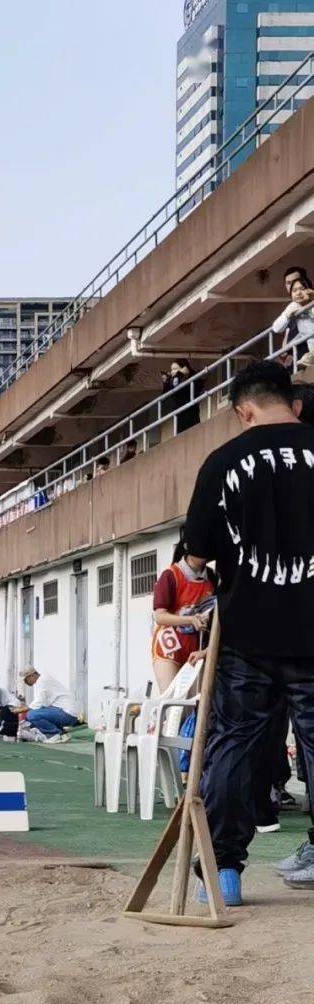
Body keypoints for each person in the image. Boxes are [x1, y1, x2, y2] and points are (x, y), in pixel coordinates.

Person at [183, 360, 314, 904]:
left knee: (235, 745)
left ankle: (226, 872)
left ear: (243, 411)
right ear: (296, 404)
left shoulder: (222, 462)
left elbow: (194, 559)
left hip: (248, 632)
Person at [150, 542, 217, 693]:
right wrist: (190, 620)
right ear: (188, 547)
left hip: (196, 649)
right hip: (169, 647)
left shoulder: (212, 578)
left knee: (193, 706)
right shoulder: (171, 575)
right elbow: (160, 616)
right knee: (172, 705)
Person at [21, 666, 80, 742]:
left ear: (32, 675)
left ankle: (54, 734)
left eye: (26, 680)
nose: (26, 683)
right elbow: (43, 704)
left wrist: (22, 709)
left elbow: (38, 701)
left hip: (67, 714)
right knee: (34, 714)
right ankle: (62, 734)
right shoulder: (43, 680)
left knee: (31, 715)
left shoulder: (42, 681)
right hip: (67, 713)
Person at [272, 268, 314, 373]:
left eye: (301, 288)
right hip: (297, 354)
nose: (298, 292)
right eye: (290, 284)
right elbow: (276, 328)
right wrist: (287, 315)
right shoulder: (292, 306)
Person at [162, 359, 200, 435]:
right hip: (179, 413)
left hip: (191, 412)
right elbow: (166, 397)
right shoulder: (174, 380)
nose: (172, 372)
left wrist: (179, 375)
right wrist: (166, 383)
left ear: (184, 368)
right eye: (171, 369)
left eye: (175, 369)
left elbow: (196, 386)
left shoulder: (190, 377)